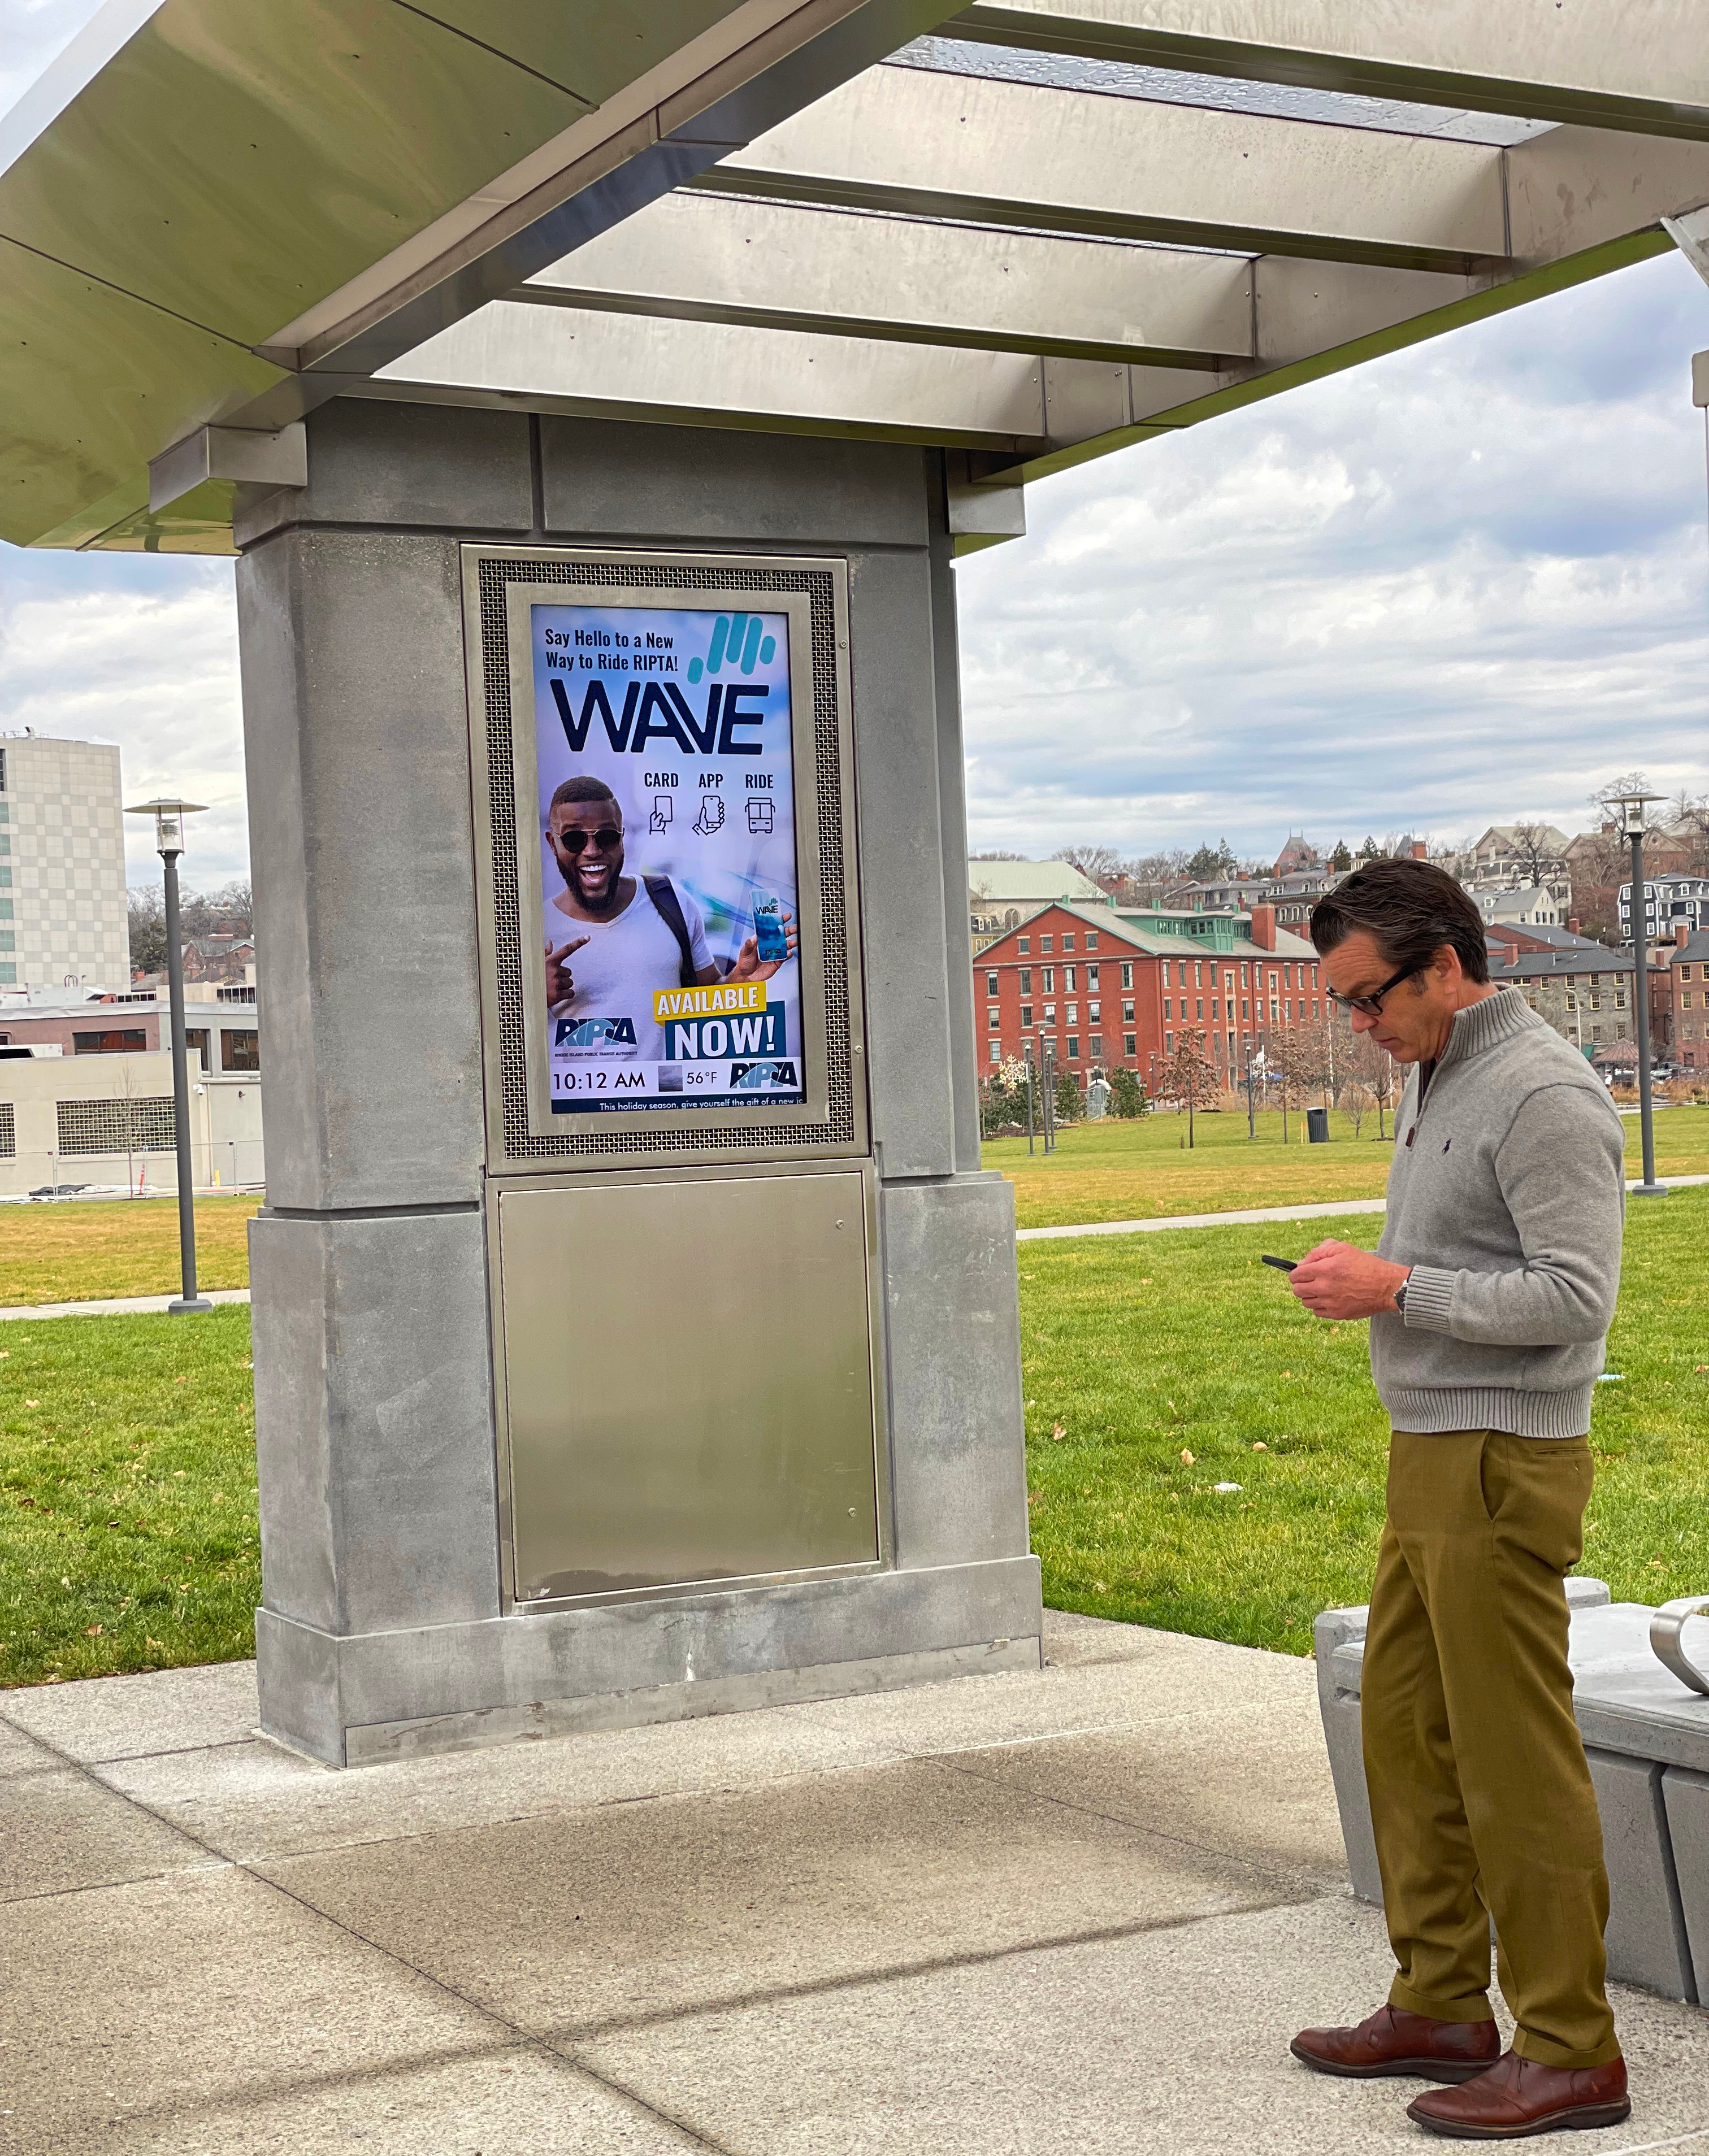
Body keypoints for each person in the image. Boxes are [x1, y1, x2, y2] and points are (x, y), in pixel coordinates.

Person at [1286, 858, 1630, 2141]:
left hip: (1502, 1458)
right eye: (1344, 1006)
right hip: (1431, 1445)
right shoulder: (1441, 1070)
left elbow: (1571, 1299)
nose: (1361, 1028)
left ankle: (1571, 2049)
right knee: (1410, 1739)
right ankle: (1439, 2000)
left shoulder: (1542, 1088)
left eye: (1370, 999)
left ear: (1445, 967)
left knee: (1509, 1762)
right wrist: (1384, 1285)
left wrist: (1396, 1289)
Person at [542, 776, 793, 1063]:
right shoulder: (534, 930)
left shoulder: (670, 899)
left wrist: (741, 979)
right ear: (553, 843)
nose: (591, 850)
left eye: (606, 836)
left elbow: (707, 1000)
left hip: (672, 1102)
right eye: (574, 839)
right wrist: (530, 998)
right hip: (582, 1105)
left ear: (622, 838)